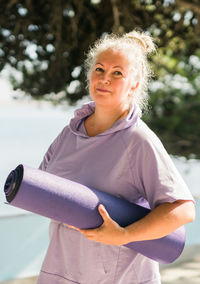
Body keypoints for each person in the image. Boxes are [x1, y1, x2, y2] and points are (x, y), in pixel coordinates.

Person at [37, 30, 195, 284]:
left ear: (134, 84)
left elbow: (183, 210)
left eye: (117, 73)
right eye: (99, 69)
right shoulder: (69, 134)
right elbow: (45, 189)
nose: (105, 79)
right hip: (60, 273)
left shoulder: (138, 140)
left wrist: (124, 234)